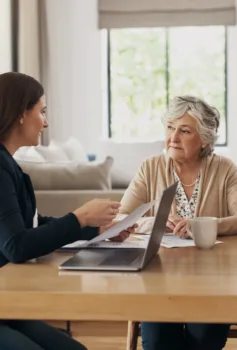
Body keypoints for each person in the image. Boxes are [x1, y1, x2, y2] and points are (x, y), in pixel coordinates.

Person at [0, 72, 135, 350]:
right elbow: (16, 246)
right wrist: (80, 217)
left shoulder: (9, 165)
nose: (46, 122)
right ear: (20, 114)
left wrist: (96, 229)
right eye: (42, 111)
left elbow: (32, 225)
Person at [118, 95, 237, 350]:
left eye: (184, 131)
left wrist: (204, 224)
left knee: (203, 339)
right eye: (170, 128)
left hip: (212, 281)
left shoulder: (224, 169)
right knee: (158, 342)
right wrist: (156, 224)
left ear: (204, 139)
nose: (173, 137)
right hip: (158, 280)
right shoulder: (150, 167)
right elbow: (121, 219)